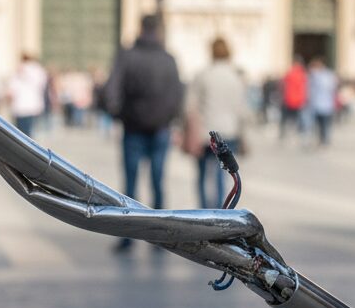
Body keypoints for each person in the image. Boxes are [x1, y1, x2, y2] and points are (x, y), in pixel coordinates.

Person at [103, 14, 183, 252]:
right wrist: (169, 119)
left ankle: (128, 236)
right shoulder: (169, 59)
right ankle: (160, 238)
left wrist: (120, 115)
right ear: (158, 30)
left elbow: (111, 91)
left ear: (140, 29)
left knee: (130, 183)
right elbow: (178, 95)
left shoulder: (127, 56)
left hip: (133, 129)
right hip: (160, 129)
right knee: (158, 181)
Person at [185, 37, 249, 208]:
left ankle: (204, 212)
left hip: (206, 134)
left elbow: (190, 107)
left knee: (202, 176)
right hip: (229, 132)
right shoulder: (236, 77)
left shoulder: (202, 75)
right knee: (224, 176)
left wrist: (189, 134)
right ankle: (221, 212)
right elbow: (241, 110)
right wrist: (243, 136)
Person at [8, 52, 48, 139]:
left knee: (19, 133)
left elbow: (12, 90)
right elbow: (42, 86)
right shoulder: (38, 70)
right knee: (28, 132)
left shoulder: (19, 69)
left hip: (19, 106)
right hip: (32, 105)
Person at [306, 56, 338, 147]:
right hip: (320, 104)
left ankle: (324, 140)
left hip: (323, 104)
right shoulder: (327, 75)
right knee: (320, 124)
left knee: (323, 124)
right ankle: (322, 140)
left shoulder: (319, 76)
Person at [279, 56, 308, 140]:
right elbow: (305, 88)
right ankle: (301, 133)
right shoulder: (303, 74)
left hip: (288, 99)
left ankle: (284, 133)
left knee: (285, 119)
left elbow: (283, 86)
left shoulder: (289, 73)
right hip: (299, 100)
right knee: (299, 118)